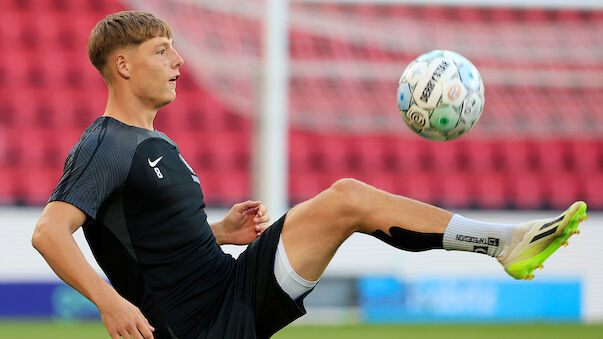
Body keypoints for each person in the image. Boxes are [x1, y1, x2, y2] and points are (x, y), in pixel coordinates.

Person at [31, 10, 587, 339]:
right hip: (196, 325)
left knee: (347, 197)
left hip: (227, 288)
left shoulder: (154, 142)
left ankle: (505, 243)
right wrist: (108, 302)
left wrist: (220, 233)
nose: (178, 59)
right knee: (346, 198)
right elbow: (48, 232)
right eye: (161, 50)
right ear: (123, 66)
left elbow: (152, 244)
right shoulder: (104, 143)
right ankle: (503, 243)